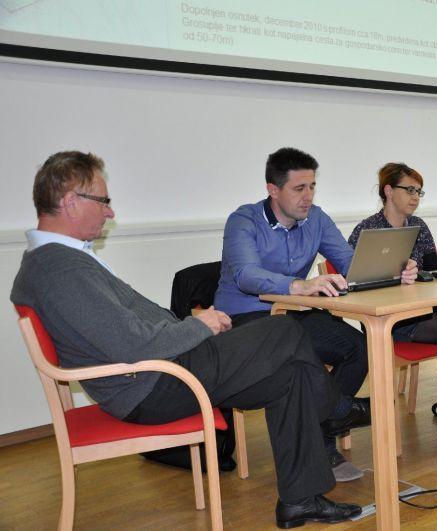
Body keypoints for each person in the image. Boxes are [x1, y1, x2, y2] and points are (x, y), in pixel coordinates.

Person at [10, 151, 361, 528]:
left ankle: (300, 501)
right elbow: (134, 344)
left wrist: (192, 328)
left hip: (161, 372)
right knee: (285, 330)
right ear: (70, 202)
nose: (110, 212)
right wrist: (200, 326)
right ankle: (340, 409)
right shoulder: (59, 268)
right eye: (103, 200)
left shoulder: (58, 260)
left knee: (292, 376)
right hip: (152, 386)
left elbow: (131, 331)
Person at [213, 147, 416, 480]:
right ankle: (333, 422)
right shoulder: (244, 220)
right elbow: (245, 275)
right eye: (299, 189)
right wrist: (298, 285)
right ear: (273, 190)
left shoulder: (316, 218)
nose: (308, 196)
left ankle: (323, 427)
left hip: (292, 313)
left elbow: (351, 264)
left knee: (360, 347)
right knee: (301, 356)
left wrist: (396, 270)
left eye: (312, 187)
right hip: (247, 317)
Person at [348, 163, 437, 452]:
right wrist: (396, 278)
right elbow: (353, 282)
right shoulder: (367, 230)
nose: (415, 197)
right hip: (389, 322)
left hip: (422, 313)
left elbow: (436, 271)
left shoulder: (419, 227)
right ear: (389, 191)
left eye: (419, 192)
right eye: (410, 190)